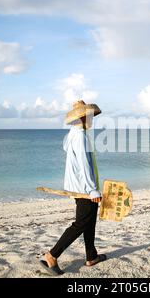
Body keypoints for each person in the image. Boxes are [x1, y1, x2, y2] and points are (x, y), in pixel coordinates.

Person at [40, 100, 107, 276]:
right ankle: (52, 255)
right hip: (84, 189)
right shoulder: (80, 136)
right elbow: (84, 166)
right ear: (82, 117)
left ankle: (91, 256)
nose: (93, 119)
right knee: (81, 223)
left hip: (79, 187)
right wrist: (93, 190)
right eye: (90, 116)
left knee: (90, 220)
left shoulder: (73, 134)